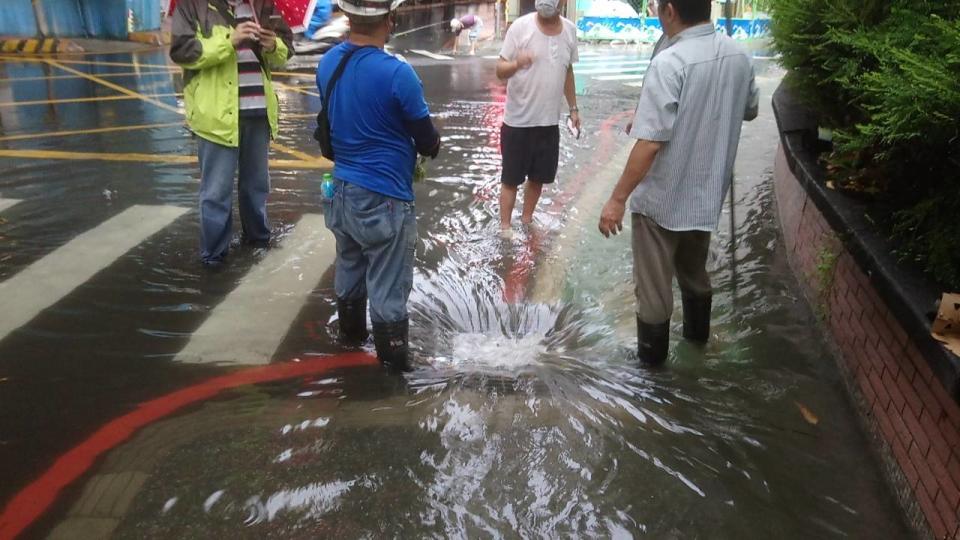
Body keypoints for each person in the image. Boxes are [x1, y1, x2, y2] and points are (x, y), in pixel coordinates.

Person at [597, 0, 759, 366]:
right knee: (694, 274)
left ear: (670, 11)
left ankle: (653, 377)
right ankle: (697, 344)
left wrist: (617, 199)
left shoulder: (669, 62)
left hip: (661, 201)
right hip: (706, 195)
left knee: (654, 294)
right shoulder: (739, 55)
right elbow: (749, 110)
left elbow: (651, 142)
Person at [317, 0, 441, 371]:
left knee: (350, 272)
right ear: (390, 21)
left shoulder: (328, 63)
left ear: (349, 17)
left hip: (340, 192)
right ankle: (393, 373)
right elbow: (426, 139)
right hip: (384, 198)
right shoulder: (396, 74)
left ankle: (350, 348)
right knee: (388, 289)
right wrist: (431, 141)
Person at [170, 0, 293, 267]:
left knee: (256, 186)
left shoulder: (265, 5)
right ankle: (213, 256)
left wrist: (273, 46)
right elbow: (182, 51)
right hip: (215, 116)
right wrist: (230, 40)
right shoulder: (192, 6)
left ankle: (259, 240)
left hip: (258, 111)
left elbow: (285, 51)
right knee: (216, 192)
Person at [496, 0, 580, 231]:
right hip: (517, 122)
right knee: (511, 179)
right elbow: (499, 70)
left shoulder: (570, 31)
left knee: (538, 178)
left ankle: (526, 220)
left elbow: (568, 70)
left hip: (549, 122)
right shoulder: (520, 28)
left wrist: (573, 108)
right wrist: (517, 63)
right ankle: (504, 228)